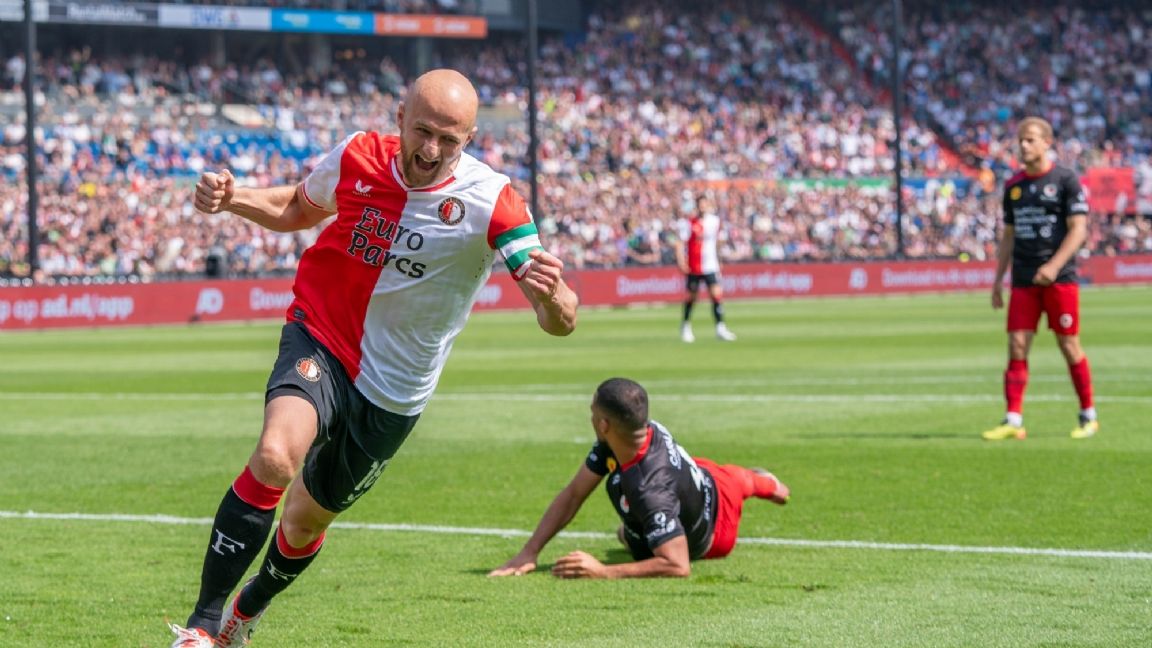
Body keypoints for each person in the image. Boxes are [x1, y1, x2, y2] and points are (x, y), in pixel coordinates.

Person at [169, 69, 579, 647]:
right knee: (276, 456)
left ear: (469, 138)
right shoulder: (357, 155)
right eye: (422, 132)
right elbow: (297, 208)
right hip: (321, 335)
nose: (430, 150)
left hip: (395, 391)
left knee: (305, 522)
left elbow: (560, 320)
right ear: (400, 119)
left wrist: (553, 297)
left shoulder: (493, 202)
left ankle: (248, 608)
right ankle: (201, 627)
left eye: (448, 140)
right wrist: (231, 199)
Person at [488, 378, 788, 579]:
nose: (590, 418)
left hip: (717, 530)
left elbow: (678, 564)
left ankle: (767, 482)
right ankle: (758, 481)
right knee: (630, 532)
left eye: (592, 413)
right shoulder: (633, 431)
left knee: (766, 487)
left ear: (604, 425)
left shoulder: (649, 490)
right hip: (702, 477)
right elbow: (573, 494)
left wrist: (602, 571)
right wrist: (529, 551)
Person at [982, 116, 1098, 441]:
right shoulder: (1013, 187)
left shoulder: (1065, 180)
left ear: (1047, 142)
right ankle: (1013, 419)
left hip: (1060, 279)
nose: (1024, 145)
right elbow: (1008, 235)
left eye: (1030, 139)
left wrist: (1053, 266)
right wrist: (998, 280)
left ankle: (1088, 414)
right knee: (1017, 344)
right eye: (1020, 140)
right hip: (1023, 278)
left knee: (1069, 345)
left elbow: (1079, 230)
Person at [676, 193, 737, 342]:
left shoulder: (714, 221)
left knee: (716, 294)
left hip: (710, 265)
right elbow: (680, 243)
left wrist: (719, 259)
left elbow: (718, 242)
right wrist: (681, 262)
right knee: (692, 297)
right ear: (697, 206)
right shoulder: (689, 223)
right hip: (694, 266)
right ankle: (685, 326)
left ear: (708, 205)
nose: (702, 206)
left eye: (705, 204)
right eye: (700, 204)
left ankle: (720, 327)